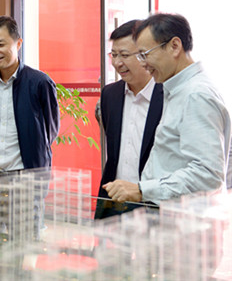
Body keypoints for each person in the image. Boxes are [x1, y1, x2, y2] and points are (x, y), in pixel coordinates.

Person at [103, 13, 231, 204]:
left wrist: (142, 190)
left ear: (174, 46)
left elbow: (207, 176)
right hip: (167, 213)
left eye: (145, 54)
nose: (143, 63)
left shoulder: (196, 95)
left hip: (185, 217)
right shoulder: (177, 90)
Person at [0, 16, 60, 182]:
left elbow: (50, 130)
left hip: (26, 176)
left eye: (1, 44)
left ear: (18, 44)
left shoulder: (40, 82)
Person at [95, 20, 163, 219]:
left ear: (144, 54)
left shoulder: (168, 95)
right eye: (114, 55)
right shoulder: (109, 95)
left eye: (124, 55)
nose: (117, 63)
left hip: (153, 204)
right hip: (114, 202)